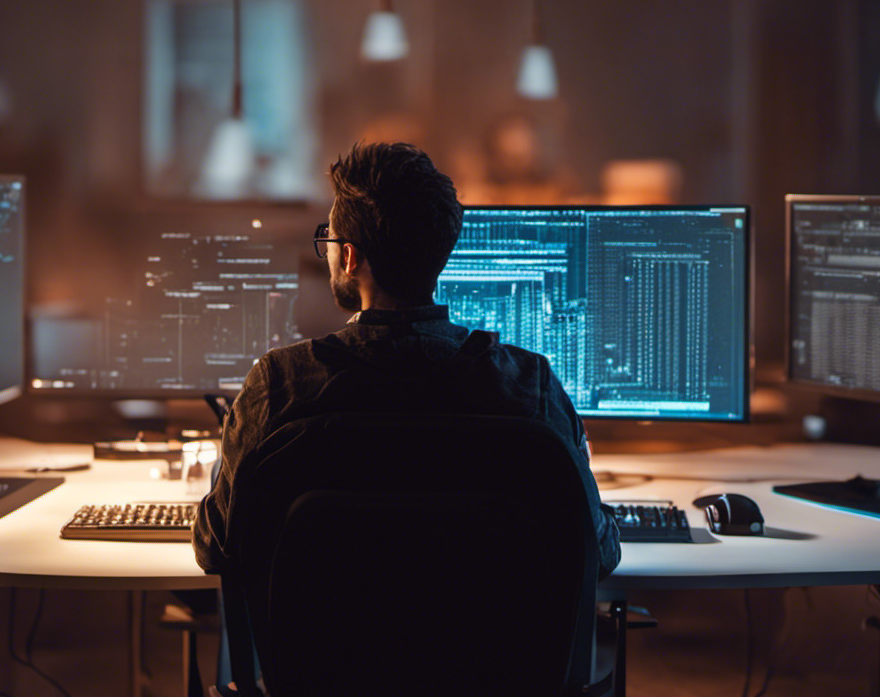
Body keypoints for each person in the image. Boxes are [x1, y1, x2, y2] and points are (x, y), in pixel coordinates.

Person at [192, 141, 620, 577]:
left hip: (326, 644)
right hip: (482, 644)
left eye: (332, 241)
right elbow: (599, 551)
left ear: (351, 257)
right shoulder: (529, 386)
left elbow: (217, 548)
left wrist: (221, 471)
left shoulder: (280, 385)